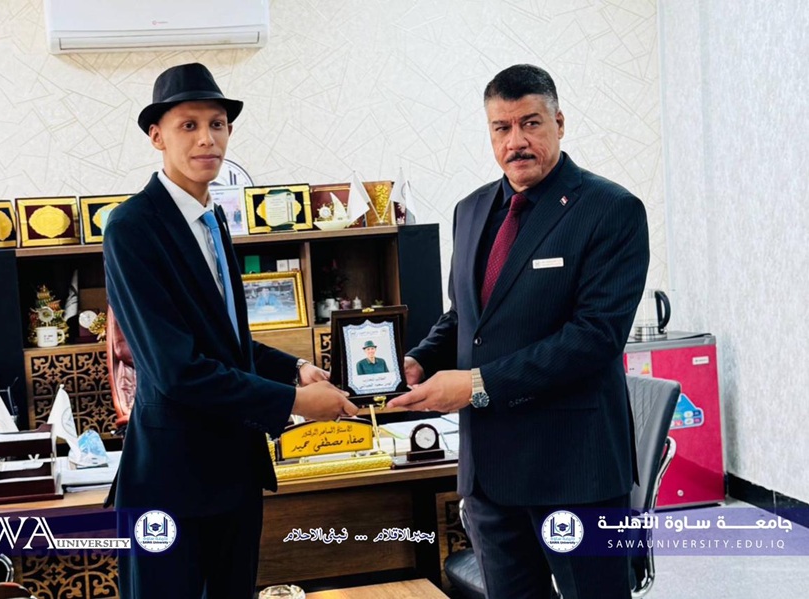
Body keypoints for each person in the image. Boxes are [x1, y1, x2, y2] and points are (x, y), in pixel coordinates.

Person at [389, 64, 649, 599]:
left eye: (530, 123)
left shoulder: (611, 209)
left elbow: (594, 337)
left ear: (559, 122)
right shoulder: (471, 210)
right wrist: (421, 358)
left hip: (575, 471)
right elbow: (465, 316)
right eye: (501, 128)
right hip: (489, 476)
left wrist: (476, 384)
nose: (516, 141)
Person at [103, 62, 358, 599]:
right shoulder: (132, 227)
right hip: (171, 482)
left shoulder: (214, 219)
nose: (207, 139)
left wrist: (294, 366)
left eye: (217, 124)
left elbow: (225, 341)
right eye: (188, 125)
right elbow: (176, 370)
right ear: (156, 136)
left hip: (235, 473)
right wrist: (295, 401)